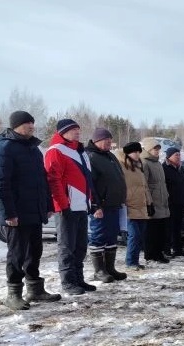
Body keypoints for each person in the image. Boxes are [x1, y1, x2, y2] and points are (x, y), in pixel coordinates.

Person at [0, 111, 62, 309]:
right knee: (17, 254)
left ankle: (35, 289)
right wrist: (8, 213)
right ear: (16, 126)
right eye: (27, 124)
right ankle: (13, 293)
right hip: (17, 213)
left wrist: (47, 205)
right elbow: (0, 185)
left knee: (35, 251)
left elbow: (42, 181)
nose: (31, 126)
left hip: (34, 211)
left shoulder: (33, 149)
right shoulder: (4, 149)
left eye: (32, 123)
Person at [45, 119, 97, 295]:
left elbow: (87, 180)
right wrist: (62, 205)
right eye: (73, 129)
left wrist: (91, 201)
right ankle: (68, 282)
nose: (77, 132)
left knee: (81, 245)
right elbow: (53, 180)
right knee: (66, 246)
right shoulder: (56, 151)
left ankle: (78, 279)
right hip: (67, 207)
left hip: (81, 205)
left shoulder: (80, 152)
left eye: (78, 129)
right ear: (63, 132)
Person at [85, 127, 128, 284]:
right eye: (106, 140)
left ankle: (110, 268)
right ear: (97, 140)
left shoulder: (109, 155)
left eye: (110, 140)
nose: (110, 142)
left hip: (114, 204)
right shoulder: (91, 157)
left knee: (111, 237)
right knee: (98, 236)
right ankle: (99, 271)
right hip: (101, 206)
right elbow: (90, 184)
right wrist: (95, 205)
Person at [140, 138, 171, 263]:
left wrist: (166, 195)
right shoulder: (145, 163)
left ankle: (159, 253)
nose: (157, 151)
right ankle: (150, 254)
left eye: (158, 149)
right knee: (151, 231)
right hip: (153, 201)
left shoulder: (158, 163)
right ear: (148, 149)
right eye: (155, 149)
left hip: (162, 200)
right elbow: (144, 184)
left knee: (161, 230)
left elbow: (162, 183)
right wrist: (148, 201)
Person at [162, 147, 184, 257]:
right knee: (168, 228)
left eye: (179, 155)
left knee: (178, 228)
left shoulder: (181, 169)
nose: (178, 157)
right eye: (176, 155)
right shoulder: (164, 168)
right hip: (170, 203)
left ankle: (178, 249)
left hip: (181, 203)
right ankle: (167, 250)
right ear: (169, 156)